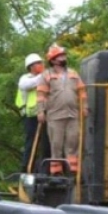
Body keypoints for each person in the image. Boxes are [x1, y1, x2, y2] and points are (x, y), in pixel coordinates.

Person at [36, 44, 87, 175]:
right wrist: (41, 111)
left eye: (64, 55)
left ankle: (73, 170)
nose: (64, 57)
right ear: (53, 60)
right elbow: (41, 95)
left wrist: (84, 106)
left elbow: (82, 92)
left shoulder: (73, 74)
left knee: (73, 143)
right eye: (60, 56)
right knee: (56, 144)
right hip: (55, 116)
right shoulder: (46, 75)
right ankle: (56, 172)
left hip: (73, 115)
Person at [16, 53, 47, 172]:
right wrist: (45, 76)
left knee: (46, 143)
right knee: (31, 142)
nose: (41, 65)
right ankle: (27, 167)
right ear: (31, 67)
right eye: (38, 63)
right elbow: (28, 85)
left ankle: (43, 169)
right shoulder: (25, 79)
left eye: (41, 63)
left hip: (45, 114)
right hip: (31, 116)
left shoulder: (44, 77)